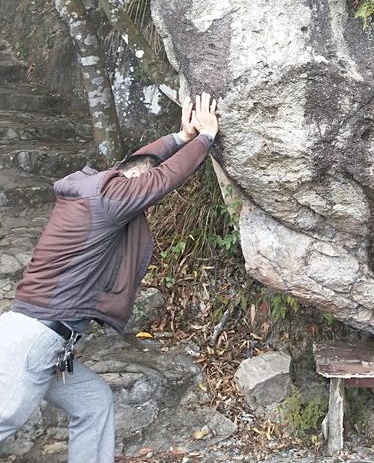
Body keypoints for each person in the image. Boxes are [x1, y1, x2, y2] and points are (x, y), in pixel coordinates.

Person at [0, 91, 219, 463]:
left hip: (41, 338)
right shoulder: (109, 200)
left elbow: (140, 166)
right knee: (7, 417)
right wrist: (205, 138)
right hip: (36, 340)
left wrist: (180, 137)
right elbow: (161, 179)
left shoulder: (96, 188)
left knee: (94, 402)